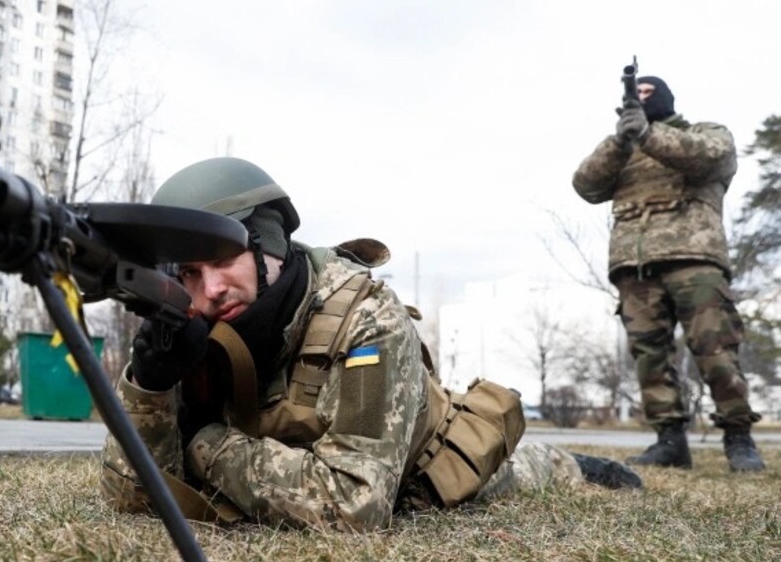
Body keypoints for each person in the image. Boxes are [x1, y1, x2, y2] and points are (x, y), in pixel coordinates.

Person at [101, 158, 641, 531]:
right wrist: (148, 386)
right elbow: (130, 496)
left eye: (223, 261)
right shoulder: (190, 320)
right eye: (191, 272)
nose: (211, 290)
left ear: (267, 242)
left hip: (424, 463)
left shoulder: (366, 318)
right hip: (292, 452)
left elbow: (354, 509)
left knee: (523, 467)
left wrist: (204, 443)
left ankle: (577, 462)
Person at [573, 75, 764, 473]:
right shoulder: (623, 150)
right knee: (649, 357)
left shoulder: (704, 132)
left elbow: (711, 156)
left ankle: (738, 438)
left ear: (665, 99)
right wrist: (621, 141)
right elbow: (586, 184)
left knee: (716, 351)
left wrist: (648, 134)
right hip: (634, 266)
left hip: (694, 258)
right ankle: (670, 441)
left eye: (647, 92)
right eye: (634, 93)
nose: (640, 98)